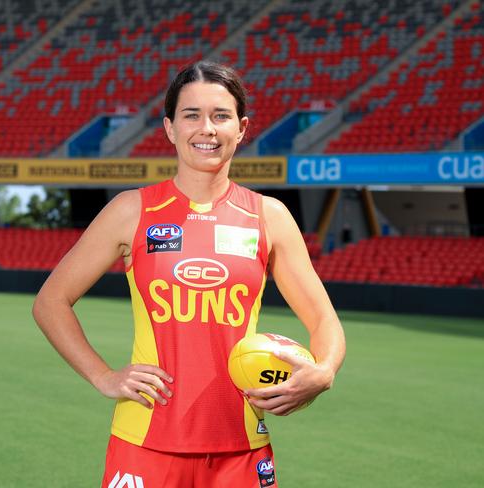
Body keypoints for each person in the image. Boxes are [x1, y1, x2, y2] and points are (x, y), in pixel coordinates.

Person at [32, 61, 346, 488]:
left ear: (241, 128)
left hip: (242, 448)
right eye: (191, 115)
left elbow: (324, 319)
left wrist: (324, 371)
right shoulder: (132, 210)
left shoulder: (268, 217)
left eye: (221, 116)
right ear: (169, 128)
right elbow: (51, 301)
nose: (207, 129)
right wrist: (103, 375)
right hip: (144, 442)